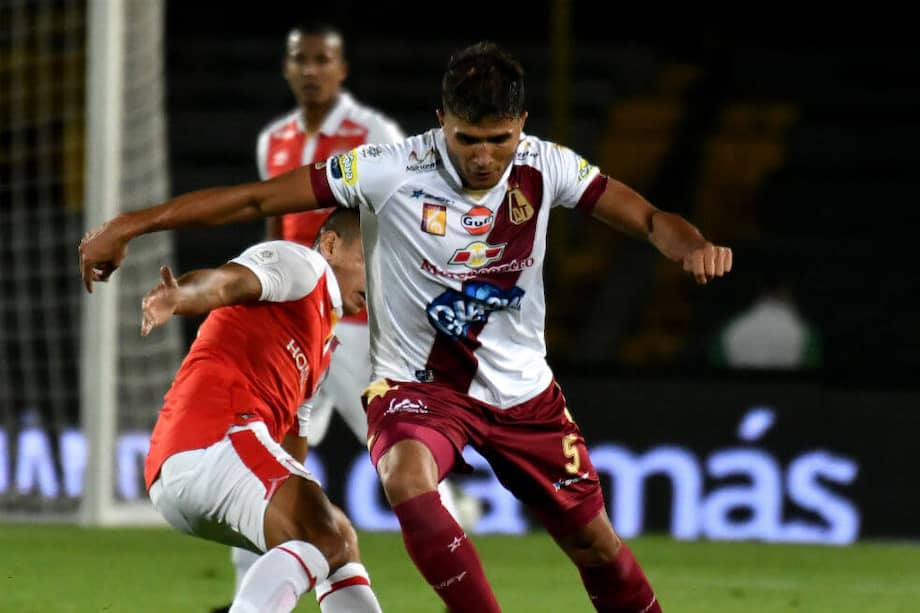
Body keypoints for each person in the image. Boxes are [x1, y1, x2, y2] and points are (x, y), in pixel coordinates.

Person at [80, 41, 733, 613]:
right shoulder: (388, 169)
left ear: (522, 127)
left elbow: (645, 216)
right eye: (469, 139)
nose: (485, 158)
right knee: (405, 477)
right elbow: (254, 199)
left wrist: (688, 243)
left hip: (524, 395)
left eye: (499, 139)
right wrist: (130, 225)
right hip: (418, 387)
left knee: (595, 541)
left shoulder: (546, 165)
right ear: (442, 122)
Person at [139, 209, 383, 613]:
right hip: (211, 438)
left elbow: (292, 447)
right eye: (367, 259)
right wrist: (181, 295)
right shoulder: (302, 266)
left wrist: (294, 499)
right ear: (330, 245)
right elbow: (225, 283)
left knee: (338, 540)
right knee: (322, 532)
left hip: (195, 469)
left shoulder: (322, 346)